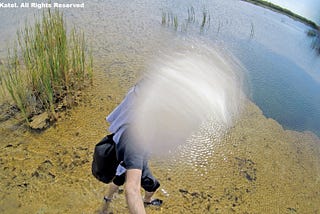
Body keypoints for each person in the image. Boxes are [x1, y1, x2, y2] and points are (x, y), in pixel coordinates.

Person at [104, 84, 162, 214]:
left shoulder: (136, 93)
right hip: (132, 156)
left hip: (122, 159)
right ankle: (147, 200)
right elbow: (132, 189)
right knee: (152, 185)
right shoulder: (137, 138)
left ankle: (107, 200)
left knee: (118, 179)